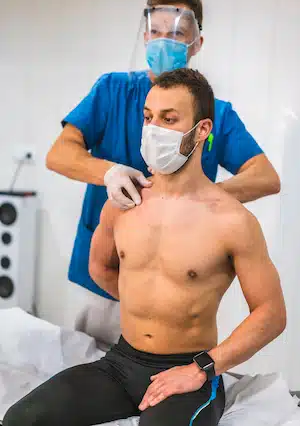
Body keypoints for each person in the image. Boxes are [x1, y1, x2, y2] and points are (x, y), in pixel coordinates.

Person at [4, 69, 286, 426]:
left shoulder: (232, 220)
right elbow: (99, 268)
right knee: (20, 419)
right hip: (121, 363)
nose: (153, 130)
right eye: (148, 118)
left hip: (189, 372)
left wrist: (202, 369)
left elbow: (271, 314)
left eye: (169, 120)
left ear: (202, 130)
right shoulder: (123, 202)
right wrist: (154, 306)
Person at [46, 0, 280, 343]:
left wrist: (201, 196)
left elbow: (265, 177)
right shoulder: (112, 90)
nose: (163, 41)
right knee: (90, 370)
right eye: (156, 31)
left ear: (196, 43)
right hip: (99, 278)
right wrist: (109, 173)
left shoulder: (218, 114)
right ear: (144, 36)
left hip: (173, 291)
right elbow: (59, 154)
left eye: (177, 33)